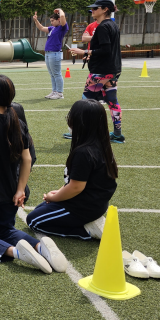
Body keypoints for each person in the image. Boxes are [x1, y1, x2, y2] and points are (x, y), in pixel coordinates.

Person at [0, 75, 65, 274]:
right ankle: (40, 247)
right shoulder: (17, 123)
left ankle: (19, 253)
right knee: (6, 229)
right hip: (11, 189)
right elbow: (27, 160)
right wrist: (20, 189)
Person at [27, 100, 117, 241]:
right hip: (94, 203)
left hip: (83, 208)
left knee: (33, 221)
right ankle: (89, 222)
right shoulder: (101, 145)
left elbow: (76, 187)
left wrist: (54, 197)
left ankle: (86, 231)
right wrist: (58, 192)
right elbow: (76, 181)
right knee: (40, 208)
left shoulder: (84, 152)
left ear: (81, 122)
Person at [67, 0, 124, 143]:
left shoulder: (103, 27)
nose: (92, 11)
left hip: (101, 71)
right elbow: (108, 50)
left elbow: (104, 50)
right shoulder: (112, 25)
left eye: (95, 8)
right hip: (112, 70)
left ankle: (78, 132)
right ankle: (117, 134)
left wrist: (84, 52)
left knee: (85, 102)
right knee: (112, 101)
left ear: (105, 9)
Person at [34, 8, 68, 100]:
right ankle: (54, 91)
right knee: (52, 74)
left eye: (53, 21)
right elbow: (41, 28)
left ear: (59, 20)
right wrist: (36, 20)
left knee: (56, 73)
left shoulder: (62, 27)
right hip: (48, 53)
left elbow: (62, 16)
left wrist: (60, 10)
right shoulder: (52, 28)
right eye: (50, 21)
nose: (51, 22)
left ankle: (59, 93)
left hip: (54, 53)